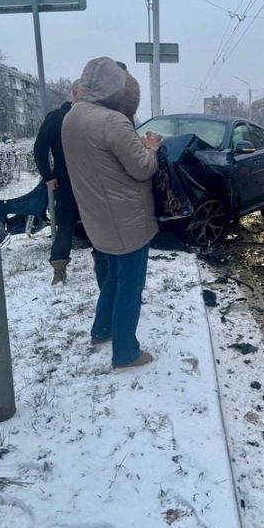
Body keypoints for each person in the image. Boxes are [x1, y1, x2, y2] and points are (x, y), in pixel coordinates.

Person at [62, 57, 160, 369]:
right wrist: (151, 146)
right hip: (126, 221)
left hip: (97, 216)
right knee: (129, 287)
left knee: (114, 281)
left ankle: (101, 330)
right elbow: (143, 168)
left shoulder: (73, 116)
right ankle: (127, 353)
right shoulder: (113, 122)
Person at [34, 81, 81, 284]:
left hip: (73, 180)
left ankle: (61, 269)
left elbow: (39, 148)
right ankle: (59, 270)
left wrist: (50, 176)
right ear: (76, 93)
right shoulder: (59, 118)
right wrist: (48, 176)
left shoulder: (57, 117)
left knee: (66, 224)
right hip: (72, 180)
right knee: (67, 224)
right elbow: (40, 148)